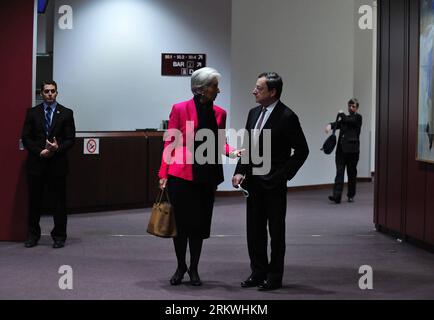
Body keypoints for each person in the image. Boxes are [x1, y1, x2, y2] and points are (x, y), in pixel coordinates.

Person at [158, 67, 241, 286]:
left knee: (199, 225)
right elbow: (170, 141)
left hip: (206, 175)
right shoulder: (179, 109)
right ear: (200, 89)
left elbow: (220, 142)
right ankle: (180, 266)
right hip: (181, 175)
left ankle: (194, 268)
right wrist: (163, 172)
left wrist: (232, 151)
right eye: (214, 85)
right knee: (181, 226)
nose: (218, 90)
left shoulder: (220, 113)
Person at [232, 72, 309, 291]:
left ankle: (274, 277)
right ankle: (258, 272)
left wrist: (282, 175)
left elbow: (302, 150)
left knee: (276, 232)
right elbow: (247, 146)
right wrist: (240, 171)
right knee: (254, 231)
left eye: (259, 88)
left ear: (272, 92)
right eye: (255, 87)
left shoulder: (287, 116)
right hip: (253, 184)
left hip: (274, 184)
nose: (253, 91)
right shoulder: (253, 113)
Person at [21, 80, 76, 249]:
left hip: (57, 165)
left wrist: (56, 149)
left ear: (57, 93)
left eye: (53, 91)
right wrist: (40, 151)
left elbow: (70, 139)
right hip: (37, 164)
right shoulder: (32, 113)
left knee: (58, 203)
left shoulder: (66, 113)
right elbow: (26, 138)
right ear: (41, 94)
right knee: (34, 202)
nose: (50, 94)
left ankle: (59, 236)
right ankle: (33, 235)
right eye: (46, 91)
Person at [326, 98, 362, 204]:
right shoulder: (345, 119)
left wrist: (341, 113)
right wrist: (330, 125)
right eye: (349, 106)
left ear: (357, 108)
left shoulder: (358, 118)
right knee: (339, 173)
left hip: (353, 152)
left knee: (351, 174)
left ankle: (351, 195)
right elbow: (338, 124)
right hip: (341, 151)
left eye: (353, 106)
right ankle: (337, 196)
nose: (350, 108)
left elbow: (347, 120)